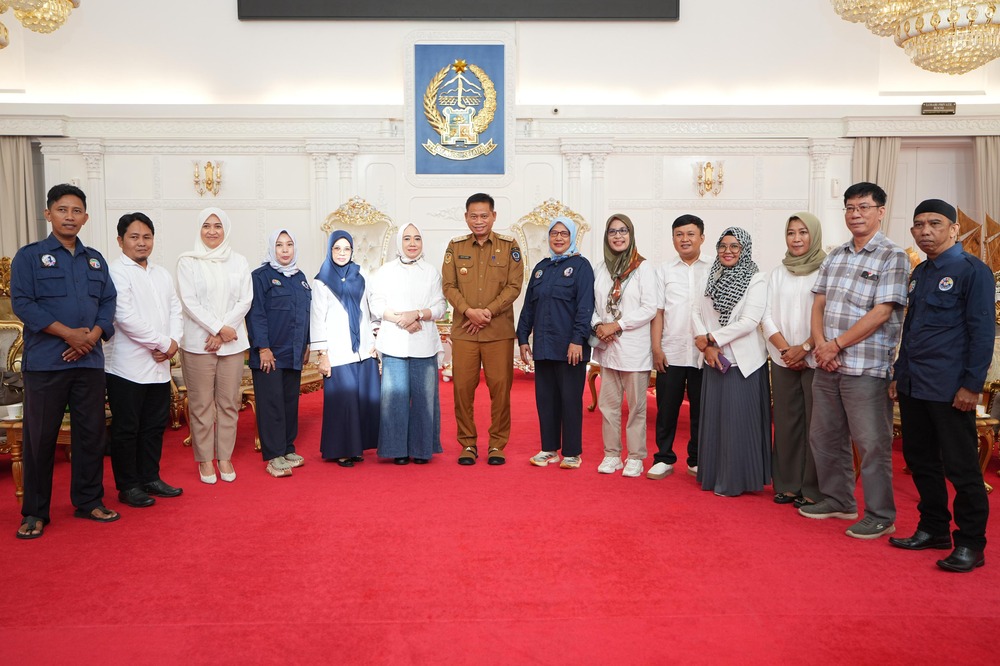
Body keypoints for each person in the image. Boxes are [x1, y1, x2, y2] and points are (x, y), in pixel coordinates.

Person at [799, 182, 909, 540]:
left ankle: (881, 514)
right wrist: (820, 345)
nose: (855, 214)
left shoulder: (893, 256)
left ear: (880, 211)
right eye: (849, 208)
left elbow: (882, 311)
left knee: (871, 443)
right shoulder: (836, 254)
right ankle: (838, 499)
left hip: (865, 367)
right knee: (824, 437)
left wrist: (836, 345)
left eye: (863, 207)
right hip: (827, 363)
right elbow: (818, 303)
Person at [888, 199, 993, 573]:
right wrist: (900, 374)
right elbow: (911, 330)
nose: (925, 231)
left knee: (962, 468)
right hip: (916, 384)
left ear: (952, 229)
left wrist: (971, 386)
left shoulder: (972, 271)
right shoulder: (921, 273)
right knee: (920, 461)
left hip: (951, 389)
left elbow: (982, 333)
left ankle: (970, 543)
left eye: (935, 223)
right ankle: (933, 528)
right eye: (918, 225)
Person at [12, 183, 119, 539]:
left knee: (91, 436)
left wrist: (90, 337)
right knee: (40, 438)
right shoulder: (30, 256)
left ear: (85, 218)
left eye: (76, 211)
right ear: (48, 214)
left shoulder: (95, 259)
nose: (69, 217)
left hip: (88, 363)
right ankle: (35, 512)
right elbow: (23, 304)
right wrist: (68, 334)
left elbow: (108, 304)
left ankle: (89, 501)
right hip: (46, 363)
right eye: (62, 210)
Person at [104, 212, 184, 508]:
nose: (141, 243)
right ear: (120, 240)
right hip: (126, 365)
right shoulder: (116, 272)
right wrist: (163, 342)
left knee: (153, 425)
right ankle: (128, 486)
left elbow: (175, 310)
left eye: (147, 237)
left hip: (160, 364)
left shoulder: (161, 273)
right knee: (127, 428)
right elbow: (124, 317)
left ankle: (150, 477)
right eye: (134, 237)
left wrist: (174, 343)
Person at [442, 193, 524, 466]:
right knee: (462, 389)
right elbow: (448, 286)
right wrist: (468, 311)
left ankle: (497, 445)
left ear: (494, 216)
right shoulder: (455, 247)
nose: (479, 221)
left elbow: (514, 286)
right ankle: (467, 444)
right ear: (466, 217)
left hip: (497, 331)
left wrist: (488, 311)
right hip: (465, 331)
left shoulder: (509, 245)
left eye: (484, 215)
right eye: (473, 216)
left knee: (500, 390)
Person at [693, 227, 771, 496]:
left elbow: (749, 322)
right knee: (715, 423)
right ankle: (714, 475)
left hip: (742, 364)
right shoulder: (709, 275)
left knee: (738, 424)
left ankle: (738, 480)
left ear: (744, 249)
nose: (727, 251)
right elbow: (695, 312)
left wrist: (711, 339)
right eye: (723, 246)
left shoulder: (757, 279)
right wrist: (706, 346)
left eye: (734, 246)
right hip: (714, 361)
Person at [176, 208, 253, 484]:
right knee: (201, 405)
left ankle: (224, 457)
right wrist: (219, 328)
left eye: (218, 226)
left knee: (230, 403)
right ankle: (205, 460)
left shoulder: (239, 261)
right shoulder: (188, 261)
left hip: (231, 345)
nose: (212, 231)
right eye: (207, 225)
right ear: (199, 229)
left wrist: (223, 332)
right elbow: (189, 301)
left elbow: (245, 300)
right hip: (199, 344)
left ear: (226, 229)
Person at [517, 216, 595, 470]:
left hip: (570, 348)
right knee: (546, 400)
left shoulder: (581, 267)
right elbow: (528, 306)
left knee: (570, 401)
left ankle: (572, 453)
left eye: (564, 233)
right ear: (548, 237)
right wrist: (522, 338)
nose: (559, 238)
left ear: (572, 237)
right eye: (554, 233)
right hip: (544, 347)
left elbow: (585, 307)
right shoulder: (541, 268)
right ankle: (548, 449)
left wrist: (577, 341)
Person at [761, 213, 827, 508]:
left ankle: (813, 489)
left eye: (803, 232)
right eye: (791, 233)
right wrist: (787, 350)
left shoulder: (828, 270)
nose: (797, 238)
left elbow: (830, 316)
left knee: (817, 425)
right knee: (786, 423)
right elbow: (766, 316)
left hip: (818, 357)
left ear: (814, 235)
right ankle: (787, 484)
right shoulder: (777, 273)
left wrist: (806, 347)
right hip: (783, 357)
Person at [369, 223, 446, 464]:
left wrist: (418, 314)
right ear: (399, 242)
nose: (412, 244)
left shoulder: (431, 272)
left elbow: (440, 307)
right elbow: (376, 304)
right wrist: (402, 319)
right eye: (407, 239)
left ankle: (422, 450)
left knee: (425, 398)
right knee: (394, 399)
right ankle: (397, 450)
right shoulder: (385, 271)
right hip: (394, 341)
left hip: (424, 342)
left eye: (417, 239)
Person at [592, 214, 657, 477]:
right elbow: (590, 305)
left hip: (634, 349)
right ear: (606, 237)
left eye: (623, 231)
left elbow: (649, 308)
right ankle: (612, 455)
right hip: (607, 349)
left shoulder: (643, 268)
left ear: (631, 235)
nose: (618, 236)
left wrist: (617, 325)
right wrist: (598, 325)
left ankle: (636, 456)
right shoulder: (599, 269)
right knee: (608, 406)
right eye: (612, 232)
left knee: (637, 407)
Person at [648, 214, 711, 479]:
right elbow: (658, 312)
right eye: (679, 234)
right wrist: (656, 349)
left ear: (702, 238)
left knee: (700, 409)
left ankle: (696, 458)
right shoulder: (663, 270)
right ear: (673, 238)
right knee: (667, 408)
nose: (685, 239)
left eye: (690, 234)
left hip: (703, 353)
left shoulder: (714, 268)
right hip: (671, 350)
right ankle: (663, 457)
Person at [246, 229, 311, 478]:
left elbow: (306, 314)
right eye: (280, 245)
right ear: (272, 248)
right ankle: (274, 456)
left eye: (289, 245)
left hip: (293, 353)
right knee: (271, 404)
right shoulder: (260, 276)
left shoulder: (300, 278)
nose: (285, 250)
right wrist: (262, 347)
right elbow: (256, 314)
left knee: (289, 403)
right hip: (269, 354)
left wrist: (305, 346)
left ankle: (287, 448)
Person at [311, 230, 380, 465]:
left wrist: (375, 341)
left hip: (364, 349)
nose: (342, 253)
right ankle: (340, 449)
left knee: (362, 399)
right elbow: (317, 319)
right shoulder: (321, 280)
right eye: (337, 248)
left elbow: (372, 310)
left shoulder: (362, 276)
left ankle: (356, 447)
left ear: (352, 251)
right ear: (330, 250)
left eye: (346, 249)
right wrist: (322, 355)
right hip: (337, 351)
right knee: (343, 400)